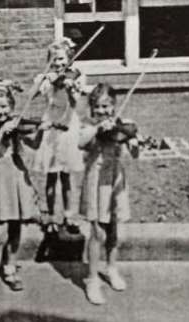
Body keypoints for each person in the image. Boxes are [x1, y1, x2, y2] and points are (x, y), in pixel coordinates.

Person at [0, 85, 46, 312]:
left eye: (4, 106)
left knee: (16, 228)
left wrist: (42, 130)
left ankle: (10, 267)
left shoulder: (18, 125)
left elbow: (34, 144)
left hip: (18, 178)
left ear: (11, 107)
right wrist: (2, 131)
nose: (0, 111)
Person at [79, 83, 140, 305]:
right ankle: (92, 279)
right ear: (92, 108)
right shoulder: (88, 125)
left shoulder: (121, 125)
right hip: (96, 180)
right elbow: (81, 142)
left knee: (114, 228)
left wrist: (134, 143)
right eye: (98, 107)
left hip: (116, 179)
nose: (103, 111)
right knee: (97, 232)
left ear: (114, 105)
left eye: (107, 106)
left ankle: (112, 268)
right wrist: (97, 128)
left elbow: (134, 152)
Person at [31, 38, 85, 233]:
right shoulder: (45, 77)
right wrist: (48, 79)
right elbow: (32, 94)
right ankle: (52, 216)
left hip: (69, 125)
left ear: (69, 59)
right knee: (52, 175)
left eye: (62, 59)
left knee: (67, 175)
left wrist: (71, 88)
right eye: (54, 60)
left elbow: (76, 101)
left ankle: (70, 215)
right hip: (51, 123)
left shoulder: (76, 76)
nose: (59, 63)